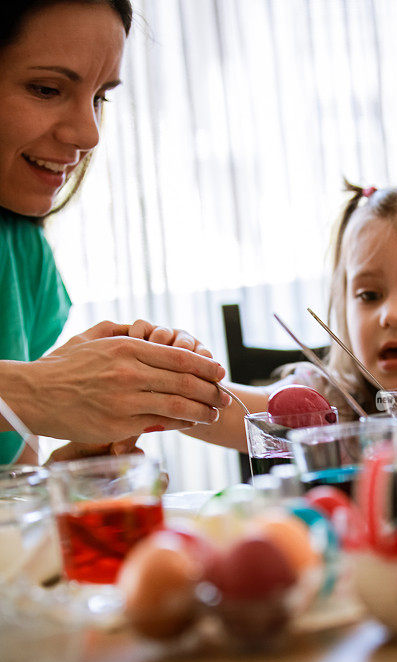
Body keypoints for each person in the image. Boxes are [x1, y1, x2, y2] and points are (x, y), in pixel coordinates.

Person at [0, 0, 230, 466]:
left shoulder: (23, 249)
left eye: (99, 97)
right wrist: (38, 388)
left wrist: (72, 479)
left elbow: (12, 492)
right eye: (47, 89)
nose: (89, 134)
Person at [183, 180, 397, 468]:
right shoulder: (330, 404)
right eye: (369, 295)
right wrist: (173, 369)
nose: (391, 315)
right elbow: (224, 415)